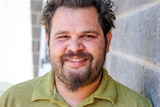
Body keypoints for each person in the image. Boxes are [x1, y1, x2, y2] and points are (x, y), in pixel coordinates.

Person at [0, 0, 152, 107]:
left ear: (108, 42)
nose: (74, 48)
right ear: (48, 43)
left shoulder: (138, 105)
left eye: (87, 36)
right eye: (63, 36)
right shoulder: (12, 101)